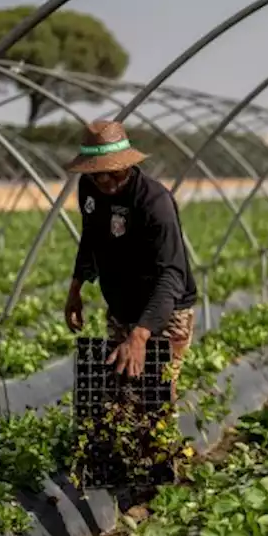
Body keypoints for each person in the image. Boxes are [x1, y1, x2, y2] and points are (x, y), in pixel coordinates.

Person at [63, 120, 198, 393]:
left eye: (112, 171)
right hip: (122, 306)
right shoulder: (89, 189)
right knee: (120, 392)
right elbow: (91, 236)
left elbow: (172, 274)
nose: (104, 180)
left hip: (166, 309)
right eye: (96, 172)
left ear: (127, 163)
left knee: (156, 394)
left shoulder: (154, 203)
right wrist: (76, 288)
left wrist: (141, 333)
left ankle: (160, 436)